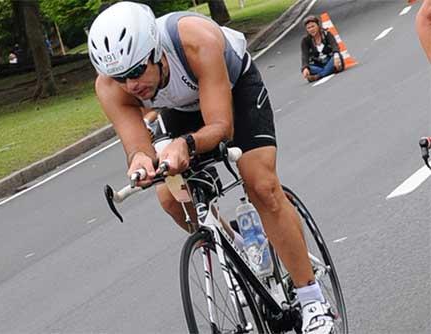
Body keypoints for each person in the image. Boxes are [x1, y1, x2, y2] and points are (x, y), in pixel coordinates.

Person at [89, 2, 336, 333]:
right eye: (121, 78)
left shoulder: (195, 40)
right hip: (177, 109)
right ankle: (233, 248)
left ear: (157, 52)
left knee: (260, 185)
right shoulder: (109, 87)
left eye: (136, 72)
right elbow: (136, 145)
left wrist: (186, 145)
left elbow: (221, 127)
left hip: (233, 91)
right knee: (170, 197)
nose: (132, 85)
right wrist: (141, 162)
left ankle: (312, 298)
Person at [301, 15, 343, 82]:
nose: (311, 29)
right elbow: (304, 55)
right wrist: (305, 68)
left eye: (313, 26)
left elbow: (335, 46)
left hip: (330, 60)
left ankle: (318, 76)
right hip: (318, 64)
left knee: (338, 58)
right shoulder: (305, 40)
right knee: (309, 68)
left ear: (318, 25)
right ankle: (330, 71)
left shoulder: (327, 34)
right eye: (308, 28)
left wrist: (336, 56)